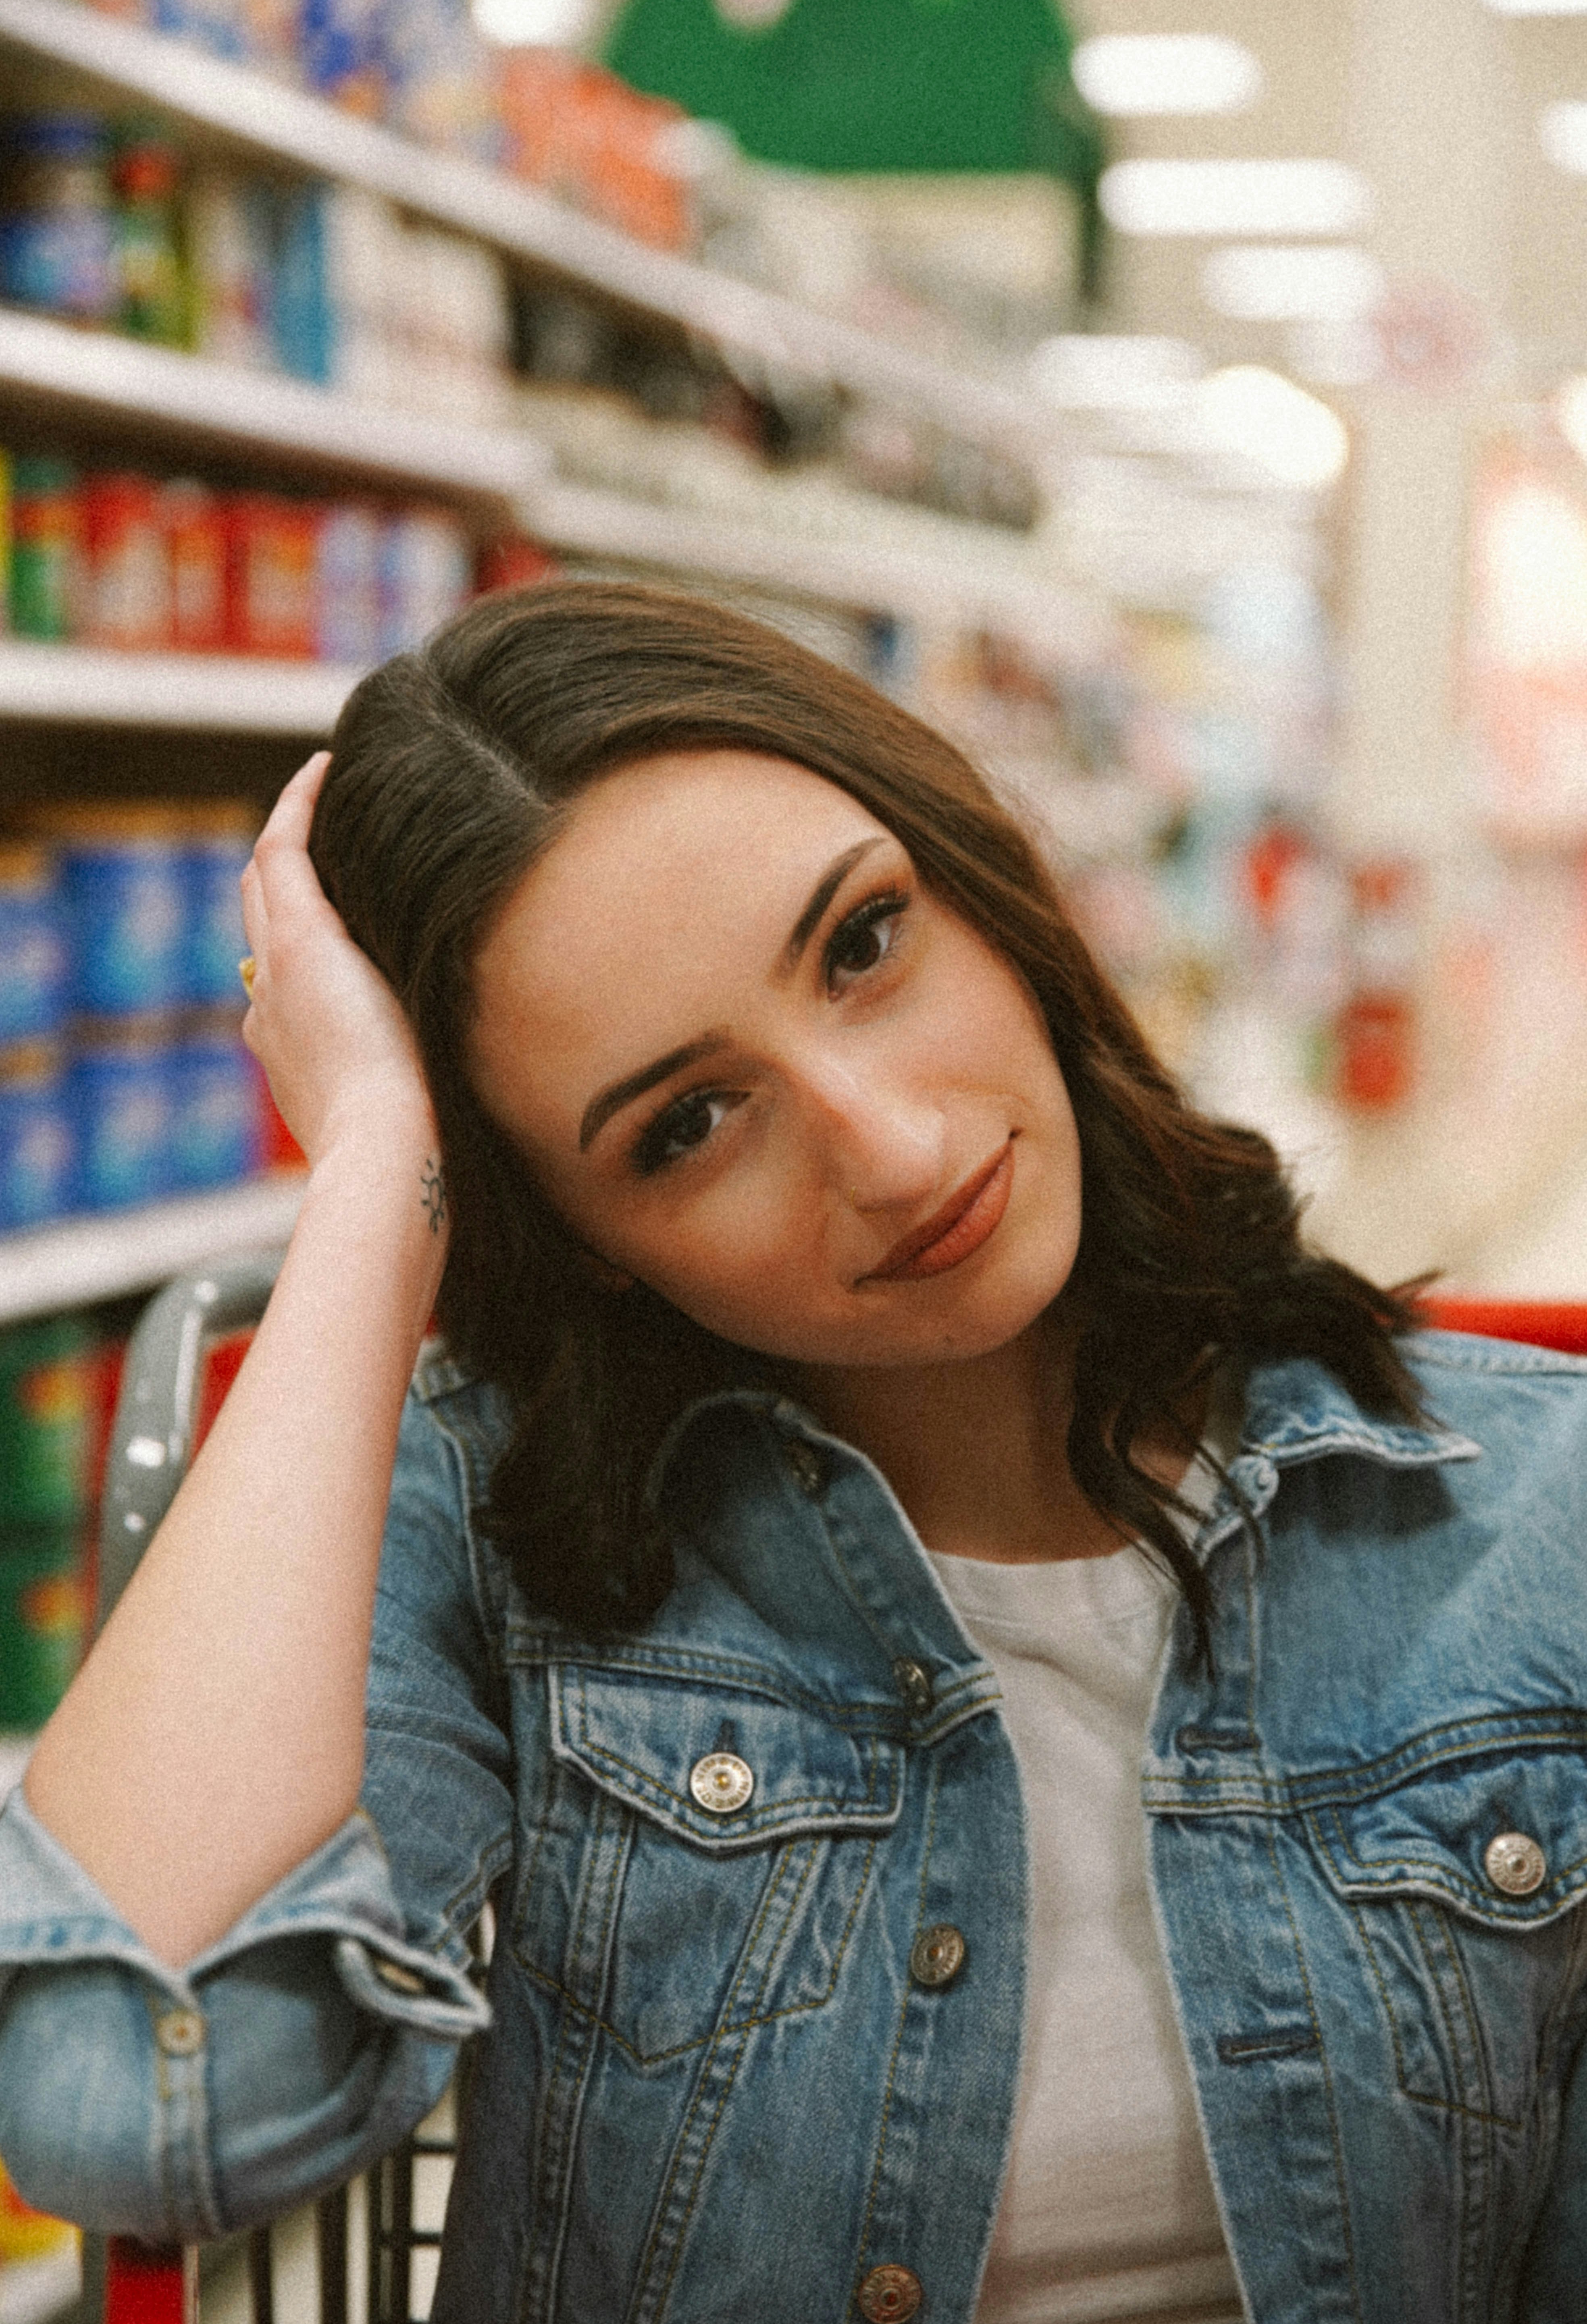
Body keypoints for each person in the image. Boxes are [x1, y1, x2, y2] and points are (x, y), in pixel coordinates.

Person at [1, 582, 1584, 2324]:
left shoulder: (1527, 1512)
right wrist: (378, 1164)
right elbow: (125, 2108)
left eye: (863, 943)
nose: (895, 1151)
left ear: (980, 878)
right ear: (589, 1235)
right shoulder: (514, 1524)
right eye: (685, 1125)